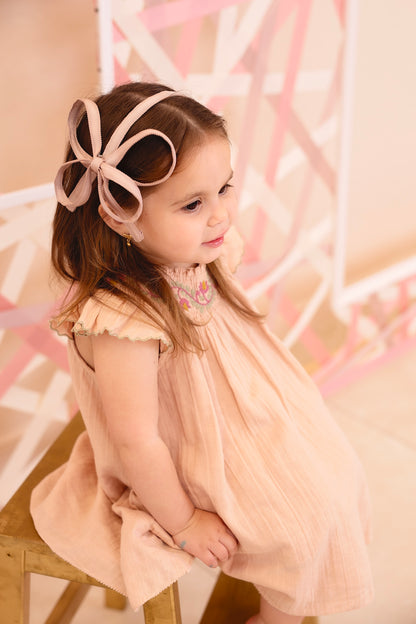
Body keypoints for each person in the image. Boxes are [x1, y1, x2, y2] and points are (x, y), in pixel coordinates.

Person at [31, 82, 374, 624]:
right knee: (301, 521)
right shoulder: (123, 319)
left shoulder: (193, 252)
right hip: (179, 444)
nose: (220, 216)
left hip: (227, 407)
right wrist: (186, 522)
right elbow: (138, 440)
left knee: (337, 474)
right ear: (120, 214)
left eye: (224, 188)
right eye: (193, 204)